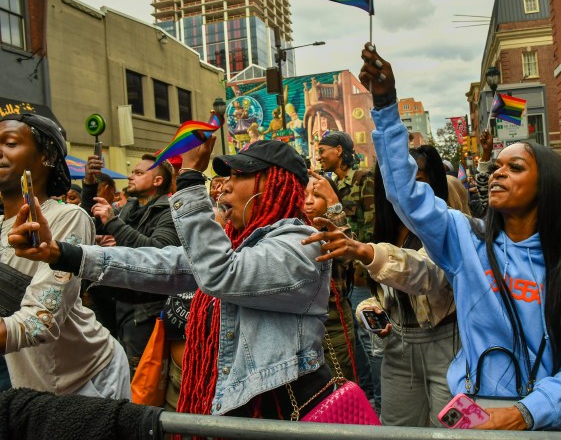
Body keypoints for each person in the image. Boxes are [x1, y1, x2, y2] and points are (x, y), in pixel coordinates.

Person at [357, 43, 561, 430]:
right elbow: (404, 195)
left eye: (515, 167)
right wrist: (385, 105)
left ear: (548, 185)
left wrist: (526, 413)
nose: (497, 173)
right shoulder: (466, 240)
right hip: (471, 415)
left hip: (541, 422)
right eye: (496, 166)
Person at [10, 138, 334, 419]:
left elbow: (221, 274)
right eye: (228, 176)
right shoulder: (241, 245)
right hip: (236, 412)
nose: (228, 185)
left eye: (241, 175)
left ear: (274, 183)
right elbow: (162, 265)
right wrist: (63, 254)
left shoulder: (302, 245)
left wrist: (192, 180)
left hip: (279, 414)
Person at [305, 145, 460, 428]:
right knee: (397, 430)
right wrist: (371, 309)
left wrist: (366, 253)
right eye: (395, 183)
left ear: (434, 183)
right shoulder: (388, 226)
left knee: (450, 431)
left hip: (446, 348)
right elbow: (383, 289)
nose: (406, 192)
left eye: (417, 182)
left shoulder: (449, 223)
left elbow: (426, 274)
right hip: (398, 349)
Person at [0, 113, 129, 399]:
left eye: (9, 143)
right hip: (30, 385)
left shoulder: (68, 217)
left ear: (45, 156)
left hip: (88, 378)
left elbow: (40, 321)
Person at [87, 153, 180, 375]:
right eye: (132, 172)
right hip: (118, 304)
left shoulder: (169, 211)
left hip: (145, 312)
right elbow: (90, 226)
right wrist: (89, 185)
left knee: (140, 377)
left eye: (138, 173)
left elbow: (158, 253)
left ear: (157, 181)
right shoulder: (129, 207)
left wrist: (114, 222)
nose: (130, 176)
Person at [317, 130, 380, 409]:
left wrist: (364, 268)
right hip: (345, 279)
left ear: (339, 151)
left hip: (362, 275)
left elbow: (370, 226)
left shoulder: (362, 178)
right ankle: (364, 392)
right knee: (355, 342)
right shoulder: (331, 185)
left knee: (368, 340)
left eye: (323, 150)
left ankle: (377, 402)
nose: (319, 155)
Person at [303, 171, 356, 382]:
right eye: (303, 194)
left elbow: (348, 252)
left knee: (340, 393)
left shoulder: (334, 229)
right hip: (302, 328)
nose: (308, 201)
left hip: (333, 325)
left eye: (317, 195)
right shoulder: (290, 230)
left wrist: (333, 201)